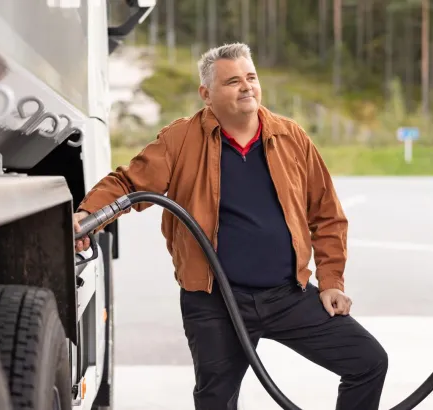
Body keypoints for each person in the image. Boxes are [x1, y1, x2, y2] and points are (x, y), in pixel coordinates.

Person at [73, 42, 388, 410]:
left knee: (369, 362)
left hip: (288, 295)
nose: (247, 87)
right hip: (214, 301)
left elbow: (327, 215)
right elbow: (127, 185)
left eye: (251, 78)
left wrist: (332, 281)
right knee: (216, 400)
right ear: (206, 94)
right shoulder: (181, 139)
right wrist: (87, 215)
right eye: (233, 81)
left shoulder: (291, 138)